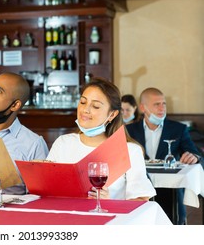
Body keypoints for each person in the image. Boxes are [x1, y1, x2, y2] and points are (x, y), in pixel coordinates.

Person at [47, 77, 156, 201]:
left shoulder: (129, 151)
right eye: (83, 102)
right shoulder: (63, 143)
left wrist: (109, 203)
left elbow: (141, 200)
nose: (85, 110)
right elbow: (47, 192)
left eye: (95, 106)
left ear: (112, 115)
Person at [126, 87, 201, 224]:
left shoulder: (178, 129)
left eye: (164, 104)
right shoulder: (129, 130)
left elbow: (194, 151)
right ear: (143, 108)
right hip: (138, 194)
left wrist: (194, 156)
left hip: (170, 194)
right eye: (156, 104)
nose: (162, 108)